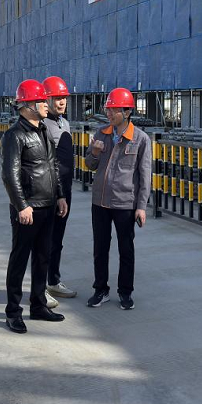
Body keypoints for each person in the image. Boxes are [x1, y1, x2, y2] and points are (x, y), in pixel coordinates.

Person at [1, 79, 69, 333]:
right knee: (19, 260)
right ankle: (13, 312)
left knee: (42, 258)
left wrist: (60, 196)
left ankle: (38, 305)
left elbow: (53, 166)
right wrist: (21, 205)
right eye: (41, 100)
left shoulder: (43, 131)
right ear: (28, 105)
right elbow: (10, 175)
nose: (46, 104)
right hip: (28, 210)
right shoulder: (14, 136)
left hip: (48, 205)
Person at [84, 87, 151, 310]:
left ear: (127, 111)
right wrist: (94, 152)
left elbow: (145, 175)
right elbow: (89, 165)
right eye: (108, 109)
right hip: (100, 202)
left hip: (125, 204)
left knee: (126, 249)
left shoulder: (140, 139)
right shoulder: (100, 134)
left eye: (114, 110)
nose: (109, 113)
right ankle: (100, 289)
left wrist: (141, 207)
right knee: (100, 248)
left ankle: (125, 292)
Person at [43, 76, 76, 300]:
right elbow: (46, 162)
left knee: (57, 239)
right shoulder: (43, 125)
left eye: (64, 97)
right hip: (50, 191)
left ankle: (53, 281)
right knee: (45, 240)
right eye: (57, 98)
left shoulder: (64, 123)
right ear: (47, 99)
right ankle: (41, 288)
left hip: (66, 189)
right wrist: (57, 193)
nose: (62, 101)